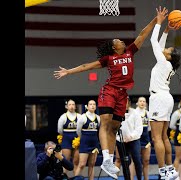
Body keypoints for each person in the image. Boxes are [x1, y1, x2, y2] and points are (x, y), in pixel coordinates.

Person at [53, 12, 158, 179]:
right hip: (109, 91)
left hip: (123, 94)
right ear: (114, 47)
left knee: (115, 128)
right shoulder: (108, 58)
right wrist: (69, 71)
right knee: (106, 122)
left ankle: (108, 158)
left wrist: (155, 20)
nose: (122, 41)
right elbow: (87, 65)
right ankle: (107, 159)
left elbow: (142, 34)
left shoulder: (130, 51)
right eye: (118, 41)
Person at [148, 6, 181, 180]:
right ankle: (170, 169)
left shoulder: (163, 63)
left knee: (156, 138)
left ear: (168, 56)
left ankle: (162, 171)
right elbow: (160, 46)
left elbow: (154, 42)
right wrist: (167, 30)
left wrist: (159, 23)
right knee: (164, 137)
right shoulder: (168, 64)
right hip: (166, 98)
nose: (165, 49)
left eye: (167, 50)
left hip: (158, 99)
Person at [115, 97, 143, 180]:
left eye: (126, 101)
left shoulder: (135, 113)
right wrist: (119, 138)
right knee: (125, 163)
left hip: (134, 140)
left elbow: (139, 128)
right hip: (121, 141)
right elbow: (114, 128)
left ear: (129, 102)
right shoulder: (116, 113)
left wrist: (131, 136)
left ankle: (139, 178)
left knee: (137, 160)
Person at [74, 100, 100, 180]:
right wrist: (83, 139)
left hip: (94, 143)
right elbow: (78, 131)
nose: (92, 106)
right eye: (90, 104)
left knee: (92, 165)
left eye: (94, 104)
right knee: (82, 164)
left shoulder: (98, 118)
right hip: (85, 142)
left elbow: (99, 130)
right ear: (87, 106)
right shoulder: (83, 117)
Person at [57, 99, 81, 175]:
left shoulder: (80, 116)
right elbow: (59, 130)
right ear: (67, 107)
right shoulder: (63, 117)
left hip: (76, 139)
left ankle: (76, 177)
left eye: (73, 104)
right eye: (70, 105)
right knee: (65, 161)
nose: (71, 106)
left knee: (76, 161)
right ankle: (64, 177)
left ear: (75, 106)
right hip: (66, 139)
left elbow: (82, 129)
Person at [169, 97, 181, 171]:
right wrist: (179, 130)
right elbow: (171, 125)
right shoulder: (177, 113)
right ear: (180, 103)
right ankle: (176, 174)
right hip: (179, 135)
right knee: (178, 156)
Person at [135, 97, 152, 180]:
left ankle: (146, 178)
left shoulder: (148, 113)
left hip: (146, 139)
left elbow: (150, 127)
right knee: (135, 161)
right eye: (140, 101)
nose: (142, 103)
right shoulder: (134, 113)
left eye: (144, 101)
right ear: (137, 103)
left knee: (146, 161)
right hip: (136, 139)